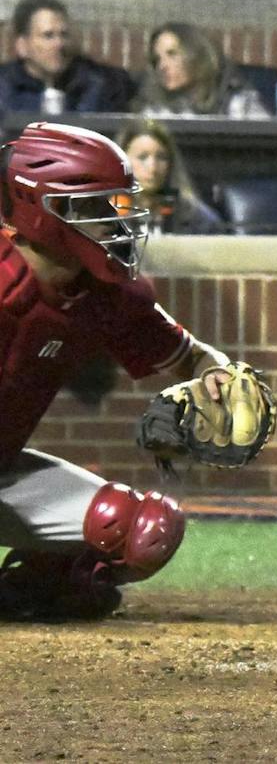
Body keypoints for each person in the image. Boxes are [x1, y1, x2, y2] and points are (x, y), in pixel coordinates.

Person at [0, 121, 247, 619]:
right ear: (41, 212)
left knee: (142, 528)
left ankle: (19, 595)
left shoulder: (102, 295)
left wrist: (220, 378)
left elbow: (192, 357)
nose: (118, 225)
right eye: (96, 209)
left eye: (120, 207)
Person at [0, 0, 134, 114]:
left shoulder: (99, 84)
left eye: (64, 35)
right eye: (48, 36)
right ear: (22, 45)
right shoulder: (4, 88)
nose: (59, 44)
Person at [133, 23, 271, 119]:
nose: (162, 66)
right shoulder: (155, 112)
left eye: (172, 54)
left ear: (196, 55)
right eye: (157, 59)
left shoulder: (238, 104)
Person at [115, 117, 225, 234]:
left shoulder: (198, 219)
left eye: (161, 157)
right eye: (142, 157)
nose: (153, 167)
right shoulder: (106, 215)